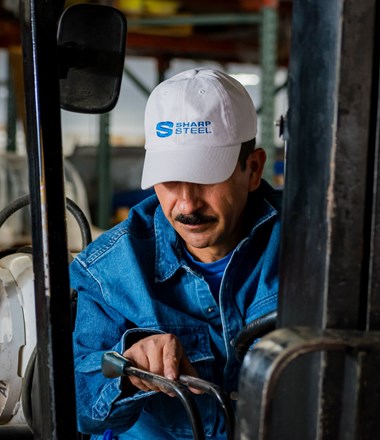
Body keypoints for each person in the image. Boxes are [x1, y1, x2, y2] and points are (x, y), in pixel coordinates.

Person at [71, 67, 282, 439]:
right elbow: (73, 403)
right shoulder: (112, 271)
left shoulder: (311, 244)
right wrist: (126, 364)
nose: (186, 204)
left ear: (252, 169)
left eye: (205, 178)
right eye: (169, 180)